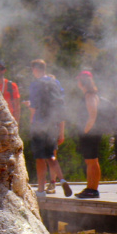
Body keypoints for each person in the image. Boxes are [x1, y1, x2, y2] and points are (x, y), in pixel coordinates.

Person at [27, 59, 72, 198]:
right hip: (53, 124)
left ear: (35, 69)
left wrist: (31, 123)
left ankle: (41, 190)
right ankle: (62, 179)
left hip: (40, 125)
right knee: (51, 156)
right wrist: (61, 130)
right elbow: (61, 105)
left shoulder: (35, 84)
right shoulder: (55, 83)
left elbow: (34, 107)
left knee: (40, 158)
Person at [75, 70, 103, 199]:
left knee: (92, 161)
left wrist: (85, 131)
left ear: (82, 81)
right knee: (90, 161)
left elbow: (92, 115)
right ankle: (90, 187)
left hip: (91, 132)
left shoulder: (90, 95)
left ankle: (93, 188)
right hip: (92, 131)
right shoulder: (90, 94)